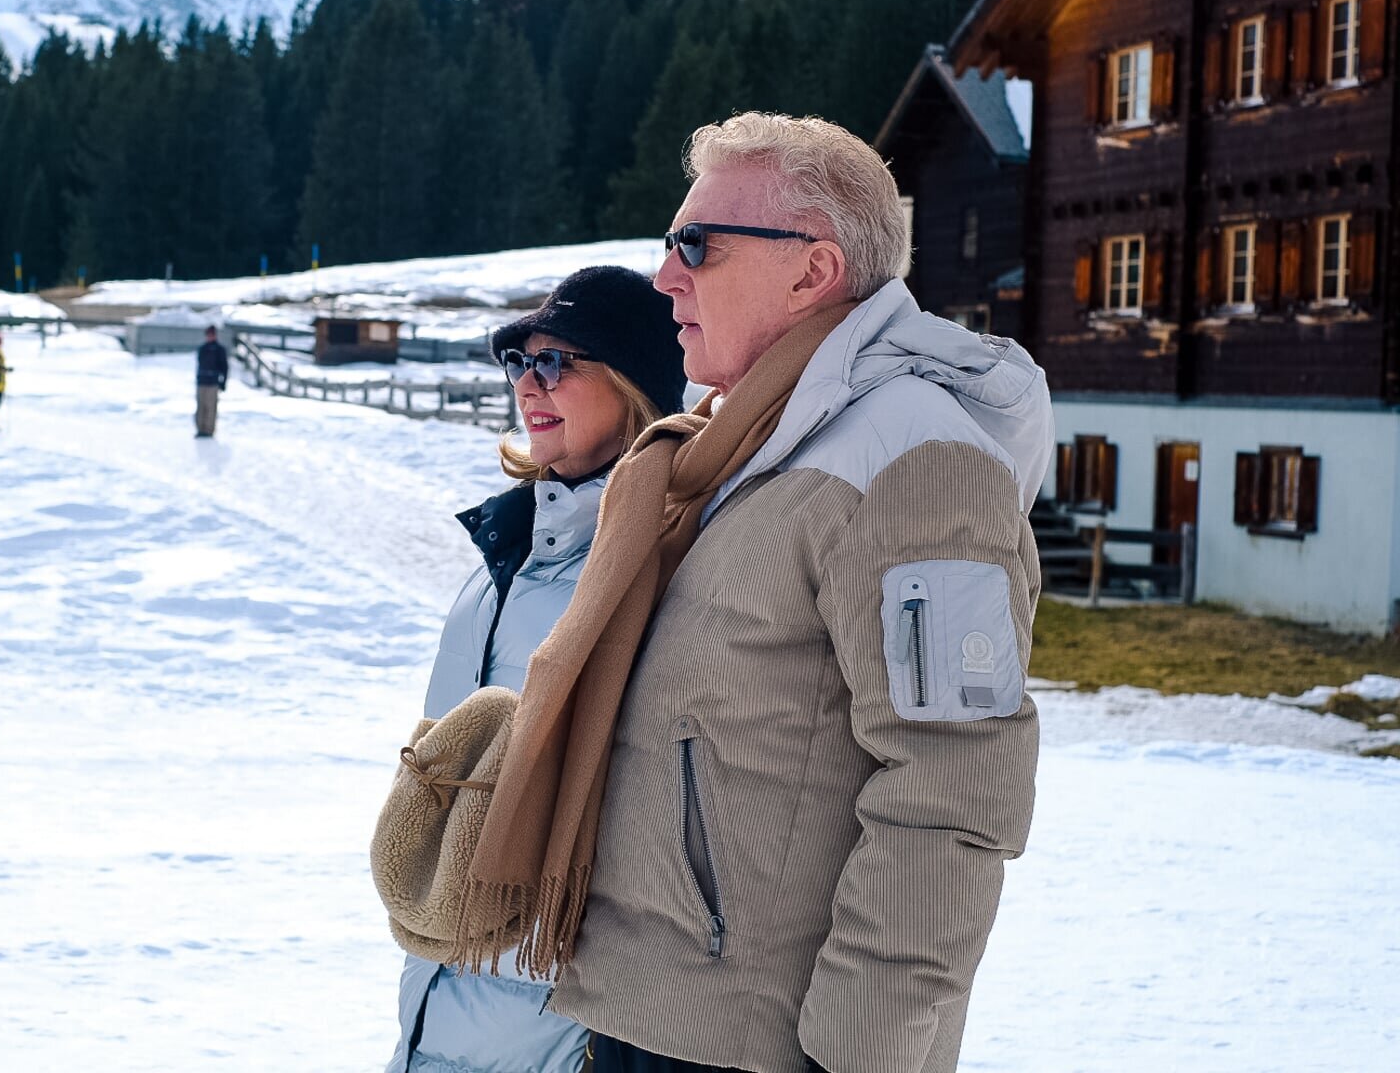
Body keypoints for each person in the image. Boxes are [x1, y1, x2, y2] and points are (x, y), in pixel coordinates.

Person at [452, 113, 1055, 1073]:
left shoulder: (913, 460)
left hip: (758, 1046)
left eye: (696, 246)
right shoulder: (726, 452)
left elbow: (954, 790)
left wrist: (860, 1055)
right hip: (639, 1008)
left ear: (812, 272)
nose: (665, 279)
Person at [389, 266, 688, 1073]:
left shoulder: (653, 571)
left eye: (558, 362)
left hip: (553, 1021)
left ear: (631, 387)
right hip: (437, 995)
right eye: (519, 361)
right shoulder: (505, 551)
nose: (529, 381)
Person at [195, 325, 230, 437]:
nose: (209, 337)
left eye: (211, 334)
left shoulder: (220, 350)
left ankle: (209, 430)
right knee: (201, 407)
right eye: (208, 335)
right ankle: (200, 428)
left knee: (211, 407)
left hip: (213, 382)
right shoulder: (203, 348)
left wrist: (223, 382)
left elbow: (224, 367)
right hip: (202, 382)